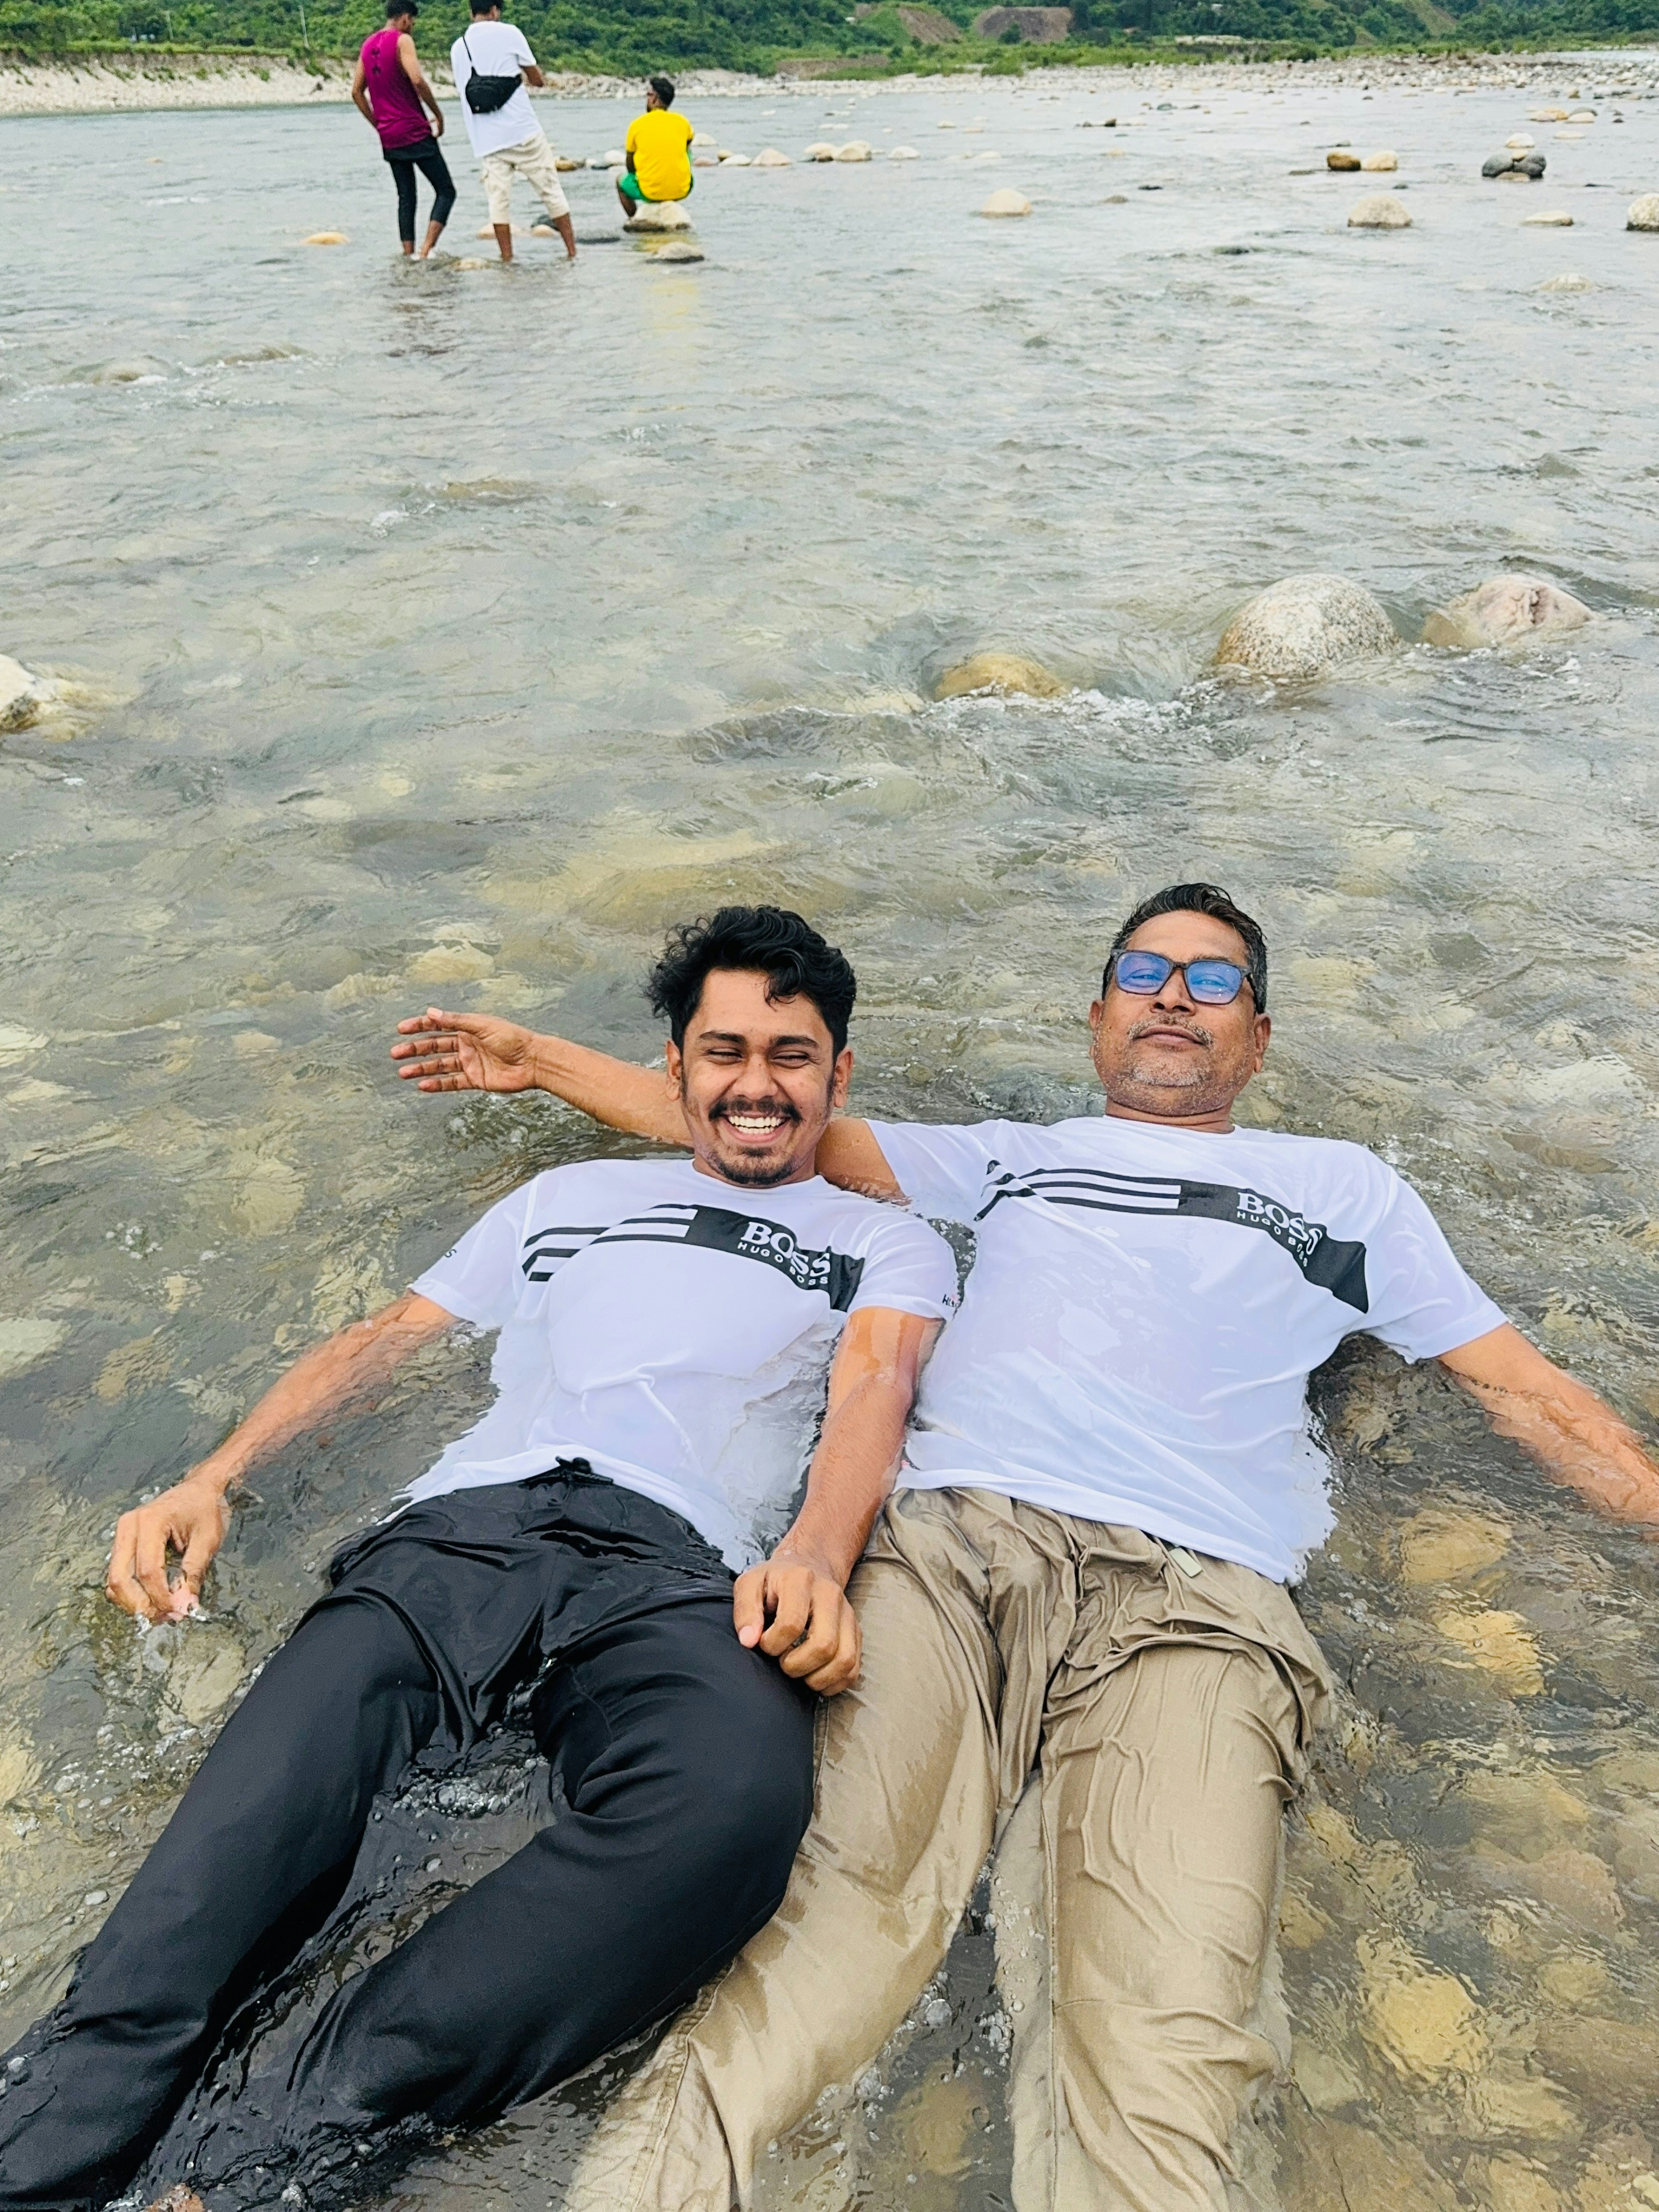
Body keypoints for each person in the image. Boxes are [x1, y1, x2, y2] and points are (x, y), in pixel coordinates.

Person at [392, 881, 1659, 2212]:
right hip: (947, 1554)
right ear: (1098, 1016)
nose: (1174, 997)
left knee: (1169, 2031)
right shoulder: (1010, 1158)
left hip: (1196, 1602)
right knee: (813, 1941)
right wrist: (539, 1062)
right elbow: (757, 1122)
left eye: (1213, 980)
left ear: (1259, 1037)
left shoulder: (1345, 1191)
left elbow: (1527, 1394)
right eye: (1144, 973)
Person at [0, 909, 956, 2212]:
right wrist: (215, 1474)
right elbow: (387, 1338)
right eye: (724, 1051)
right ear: (674, 1068)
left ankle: (271, 2153)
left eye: (791, 1056)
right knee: (229, 1861)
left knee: (731, 1805)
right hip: (458, 1536)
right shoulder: (565, 1199)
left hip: (680, 1567)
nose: (756, 1084)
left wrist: (814, 1559)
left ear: (838, 1077)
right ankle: (44, 2154)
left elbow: (875, 1384)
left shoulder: (881, 1239)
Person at [448, 0, 576, 264]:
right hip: (522, 130)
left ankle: (507, 259)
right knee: (550, 191)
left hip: (487, 138)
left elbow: (465, 92)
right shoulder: (510, 33)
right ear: (495, 10)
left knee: (498, 201)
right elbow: (537, 80)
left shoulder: (459, 47)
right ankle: (572, 253)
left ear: (472, 11)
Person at [351, 0, 455, 259]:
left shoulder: (368, 44)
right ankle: (426, 251)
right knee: (446, 191)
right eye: (413, 22)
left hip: (389, 135)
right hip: (413, 129)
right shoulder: (402, 41)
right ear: (406, 18)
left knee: (406, 195)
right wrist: (438, 114)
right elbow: (417, 79)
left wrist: (378, 124)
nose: (413, 27)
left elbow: (356, 92)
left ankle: (408, 255)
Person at [617, 74, 694, 221]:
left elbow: (630, 165)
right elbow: (687, 148)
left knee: (620, 181)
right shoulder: (683, 122)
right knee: (687, 150)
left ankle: (634, 218)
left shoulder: (637, 125)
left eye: (648, 94)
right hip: (683, 190)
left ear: (654, 98)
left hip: (649, 192)